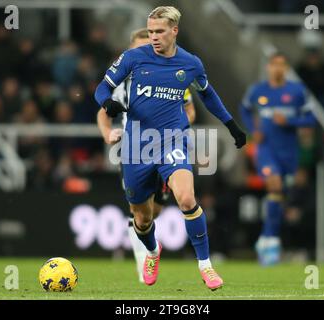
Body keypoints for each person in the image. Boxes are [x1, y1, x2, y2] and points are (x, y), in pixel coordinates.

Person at [94, 6, 246, 290]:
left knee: (187, 199)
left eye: (159, 31)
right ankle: (152, 251)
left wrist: (230, 124)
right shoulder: (133, 58)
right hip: (137, 145)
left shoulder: (190, 64)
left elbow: (208, 95)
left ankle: (206, 266)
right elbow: (101, 88)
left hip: (172, 142)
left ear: (174, 30)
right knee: (142, 218)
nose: (153, 37)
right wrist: (108, 103)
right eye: (150, 31)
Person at [96, 27, 196, 283]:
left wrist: (177, 124)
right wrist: (108, 133)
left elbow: (190, 109)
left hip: (164, 146)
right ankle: (144, 263)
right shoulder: (123, 82)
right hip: (134, 147)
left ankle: (149, 251)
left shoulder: (170, 75)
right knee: (138, 211)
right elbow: (103, 110)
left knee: (156, 211)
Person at [240, 52, 315, 266]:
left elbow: (311, 119)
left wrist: (290, 120)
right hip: (266, 150)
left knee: (279, 195)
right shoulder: (257, 91)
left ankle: (266, 238)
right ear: (268, 67)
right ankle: (272, 241)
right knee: (274, 184)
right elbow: (244, 109)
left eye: (282, 65)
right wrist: (254, 129)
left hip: (289, 152)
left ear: (287, 68)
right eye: (274, 65)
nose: (277, 69)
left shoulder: (297, 91)